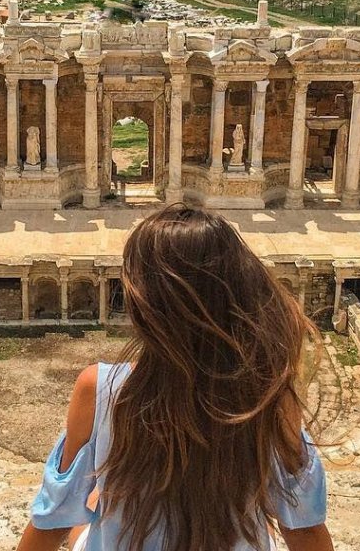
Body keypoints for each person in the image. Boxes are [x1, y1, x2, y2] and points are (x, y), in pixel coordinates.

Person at [17, 205, 333, 551]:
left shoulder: (99, 388)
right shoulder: (269, 393)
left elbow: (51, 522)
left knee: (86, 508)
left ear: (143, 305)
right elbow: (304, 529)